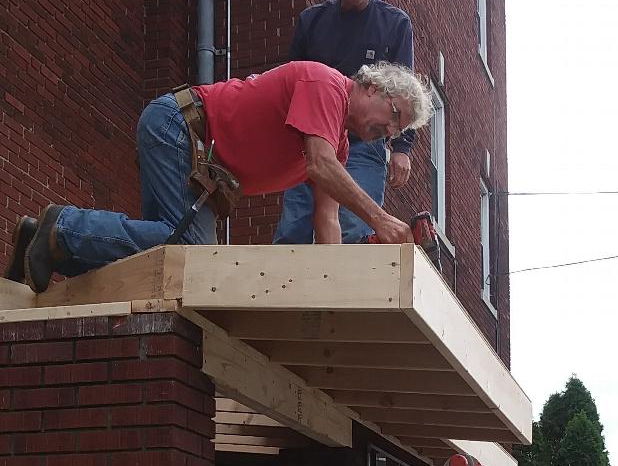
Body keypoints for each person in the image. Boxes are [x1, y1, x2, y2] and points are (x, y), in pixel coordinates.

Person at [5, 59, 433, 294]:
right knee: (191, 258)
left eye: (400, 131)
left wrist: (332, 291)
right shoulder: (325, 86)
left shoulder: (336, 143)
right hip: (180, 126)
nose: (391, 132)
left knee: (164, 269)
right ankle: (63, 228)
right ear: (372, 88)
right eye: (395, 115)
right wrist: (381, 220)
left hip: (196, 156)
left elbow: (328, 223)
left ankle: (49, 243)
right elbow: (321, 166)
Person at [274, 0, 415, 245]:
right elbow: (291, 83)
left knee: (356, 228)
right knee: (294, 225)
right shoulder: (312, 21)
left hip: (363, 144)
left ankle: (350, 294)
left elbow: (405, 93)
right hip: (312, 140)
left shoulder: (395, 24)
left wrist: (402, 149)